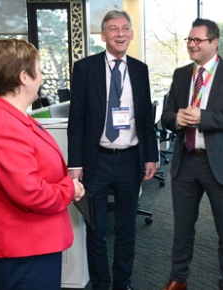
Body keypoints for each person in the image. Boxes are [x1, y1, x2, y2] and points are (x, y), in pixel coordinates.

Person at [0, 38, 85, 290]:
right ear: (24, 77)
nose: (41, 78)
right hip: (20, 253)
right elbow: (29, 192)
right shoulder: (3, 126)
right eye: (39, 70)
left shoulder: (10, 116)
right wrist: (70, 189)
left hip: (27, 247)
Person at [67, 10, 158, 290]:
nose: (120, 33)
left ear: (131, 33)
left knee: (126, 230)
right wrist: (75, 163)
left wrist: (152, 155)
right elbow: (77, 120)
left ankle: (122, 283)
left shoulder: (140, 70)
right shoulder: (86, 68)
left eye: (125, 28)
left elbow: (145, 119)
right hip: (97, 160)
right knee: (95, 231)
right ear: (104, 35)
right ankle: (100, 284)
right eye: (113, 29)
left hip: (130, 159)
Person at [160, 18, 223, 290]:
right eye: (189, 40)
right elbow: (165, 116)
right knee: (182, 228)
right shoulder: (180, 75)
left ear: (214, 43)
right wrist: (175, 118)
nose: (191, 44)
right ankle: (178, 278)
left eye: (197, 40)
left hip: (220, 165)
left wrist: (204, 117)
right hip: (185, 162)